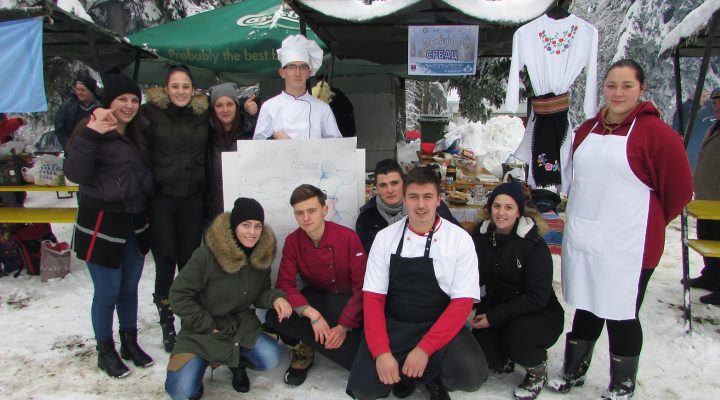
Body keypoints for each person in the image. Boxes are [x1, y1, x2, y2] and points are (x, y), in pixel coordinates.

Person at [550, 59, 693, 399]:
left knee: (621, 311)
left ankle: (622, 383)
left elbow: (679, 191)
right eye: (612, 85)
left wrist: (652, 223)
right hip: (587, 236)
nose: (618, 92)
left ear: (641, 89)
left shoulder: (657, 134)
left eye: (627, 85)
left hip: (630, 244)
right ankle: (574, 369)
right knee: (586, 304)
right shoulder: (587, 130)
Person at [347, 167, 488, 400]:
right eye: (413, 197)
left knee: (471, 375)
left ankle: (433, 378)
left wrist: (424, 350)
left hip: (438, 323)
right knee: (363, 389)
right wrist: (382, 352)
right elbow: (372, 300)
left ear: (438, 200)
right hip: (396, 324)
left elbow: (462, 304)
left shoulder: (459, 240)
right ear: (404, 199)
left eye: (427, 197)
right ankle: (404, 372)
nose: (420, 205)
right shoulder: (385, 238)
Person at [63, 73, 154, 378]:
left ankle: (129, 341)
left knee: (129, 287)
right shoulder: (91, 129)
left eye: (134, 100)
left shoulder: (139, 132)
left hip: (134, 220)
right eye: (122, 100)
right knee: (107, 290)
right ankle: (106, 350)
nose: (129, 106)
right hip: (101, 221)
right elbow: (74, 172)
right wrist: (91, 132)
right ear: (109, 102)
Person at [165, 198, 292, 399]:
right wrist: (206, 324)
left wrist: (276, 298)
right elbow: (178, 294)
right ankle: (200, 364)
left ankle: (237, 364)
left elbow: (260, 293)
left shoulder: (261, 256)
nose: (252, 232)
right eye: (246, 225)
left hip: (240, 326)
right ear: (234, 226)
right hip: (202, 330)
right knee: (181, 392)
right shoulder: (206, 255)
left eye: (257, 226)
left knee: (271, 358)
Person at [136, 64, 209, 353]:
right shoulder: (149, 114)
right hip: (162, 198)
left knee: (189, 262)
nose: (181, 91)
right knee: (165, 260)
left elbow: (229, 120)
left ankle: (189, 319)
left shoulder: (202, 114)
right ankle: (167, 320)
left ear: (193, 90)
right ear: (166, 88)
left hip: (192, 197)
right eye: (175, 86)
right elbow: (137, 147)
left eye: (186, 86)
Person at [470, 182, 564, 400]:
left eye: (509, 207)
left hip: (538, 312)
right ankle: (506, 356)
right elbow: (475, 278)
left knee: (517, 339)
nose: (501, 213)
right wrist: (475, 309)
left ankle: (537, 369)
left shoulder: (533, 243)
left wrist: (493, 317)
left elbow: (537, 297)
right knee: (485, 352)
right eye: (497, 206)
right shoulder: (481, 236)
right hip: (499, 305)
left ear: (519, 211)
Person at [265, 184, 366, 386]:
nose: (306, 218)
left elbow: (363, 287)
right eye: (299, 213)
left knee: (361, 364)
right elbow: (285, 283)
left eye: (311, 211)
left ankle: (327, 338)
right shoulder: (293, 241)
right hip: (318, 299)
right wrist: (312, 314)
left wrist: (344, 327)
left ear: (324, 210)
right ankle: (306, 350)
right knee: (275, 315)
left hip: (351, 303)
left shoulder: (348, 237)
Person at [356, 159, 462, 253]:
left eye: (394, 183)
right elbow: (372, 256)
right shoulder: (366, 218)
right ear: (377, 188)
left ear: (404, 183)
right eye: (383, 185)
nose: (390, 190)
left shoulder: (432, 206)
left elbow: (457, 238)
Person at [252, 35, 342, 140]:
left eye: (303, 67)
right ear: (282, 73)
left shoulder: (322, 108)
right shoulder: (269, 107)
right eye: (292, 67)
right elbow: (258, 148)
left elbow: (336, 145)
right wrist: (274, 140)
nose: (297, 73)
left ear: (309, 73)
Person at [686, 88, 720, 305]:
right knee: (707, 238)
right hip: (706, 197)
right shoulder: (713, 127)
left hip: (717, 199)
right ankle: (710, 276)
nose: (717, 108)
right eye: (715, 103)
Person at [205, 82, 258, 222]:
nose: (225, 109)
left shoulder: (252, 130)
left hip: (245, 210)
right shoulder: (205, 133)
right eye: (219, 105)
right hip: (214, 212)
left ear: (237, 105)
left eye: (230, 104)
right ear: (213, 108)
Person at [55, 74, 101, 150]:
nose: (79, 93)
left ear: (91, 91)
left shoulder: (101, 107)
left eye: (83, 90)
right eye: (77, 89)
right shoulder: (68, 106)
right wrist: (69, 147)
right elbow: (60, 130)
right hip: (73, 151)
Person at [673, 88, 713, 170]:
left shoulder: (691, 108)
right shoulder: (690, 109)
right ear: (695, 96)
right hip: (688, 149)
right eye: (703, 97)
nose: (706, 100)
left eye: (707, 97)